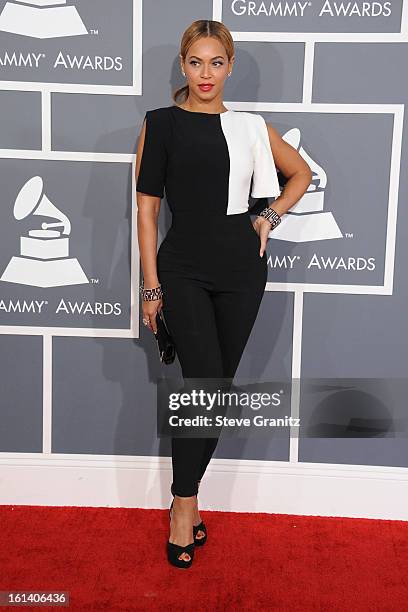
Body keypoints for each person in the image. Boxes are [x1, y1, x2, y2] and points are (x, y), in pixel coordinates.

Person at [135, 19, 312, 568]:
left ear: (230, 66)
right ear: (183, 67)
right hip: (183, 267)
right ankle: (183, 506)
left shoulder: (253, 128)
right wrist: (151, 285)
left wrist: (268, 216)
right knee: (203, 385)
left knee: (218, 393)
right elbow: (147, 210)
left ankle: (186, 498)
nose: (205, 74)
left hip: (241, 269)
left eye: (216, 63)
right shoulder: (160, 124)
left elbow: (300, 175)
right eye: (195, 63)